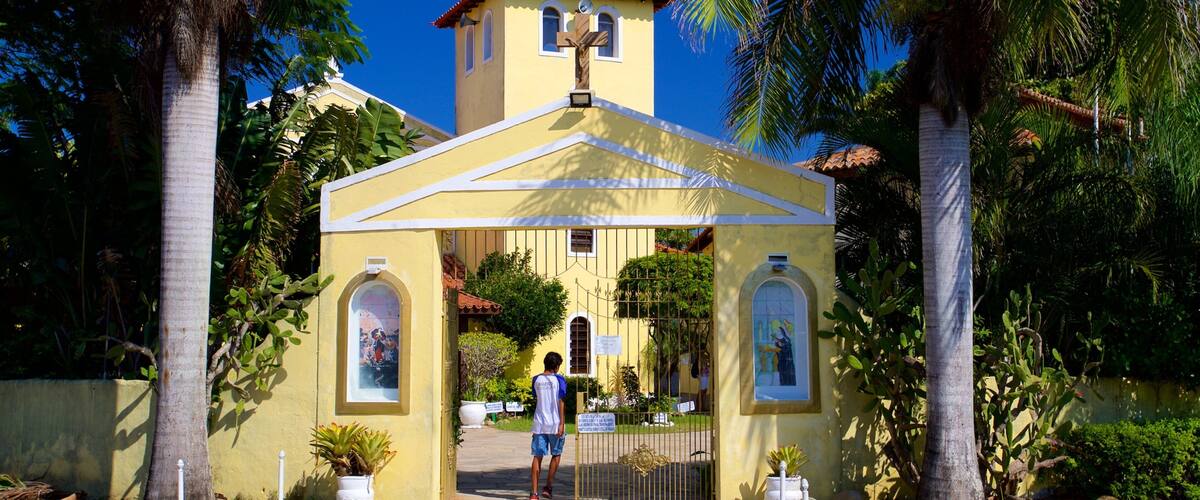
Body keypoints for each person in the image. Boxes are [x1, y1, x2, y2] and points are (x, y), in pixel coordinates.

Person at [530, 352, 566, 499]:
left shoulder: (536, 380)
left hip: (539, 424)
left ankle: (533, 493)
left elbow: (536, 397)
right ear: (557, 366)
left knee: (537, 457)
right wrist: (562, 423)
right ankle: (548, 486)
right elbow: (561, 402)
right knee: (556, 454)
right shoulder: (559, 380)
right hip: (555, 423)